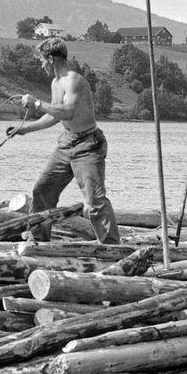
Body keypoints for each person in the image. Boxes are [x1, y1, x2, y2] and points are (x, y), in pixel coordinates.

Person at [8, 37, 120, 244]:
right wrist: (24, 129)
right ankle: (39, 241)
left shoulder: (74, 80)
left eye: (41, 60)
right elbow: (54, 115)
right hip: (66, 144)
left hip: (88, 146)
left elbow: (68, 112)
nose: (40, 64)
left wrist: (37, 103)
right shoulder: (55, 83)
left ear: (51, 58)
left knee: (95, 200)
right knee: (42, 190)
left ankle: (112, 247)